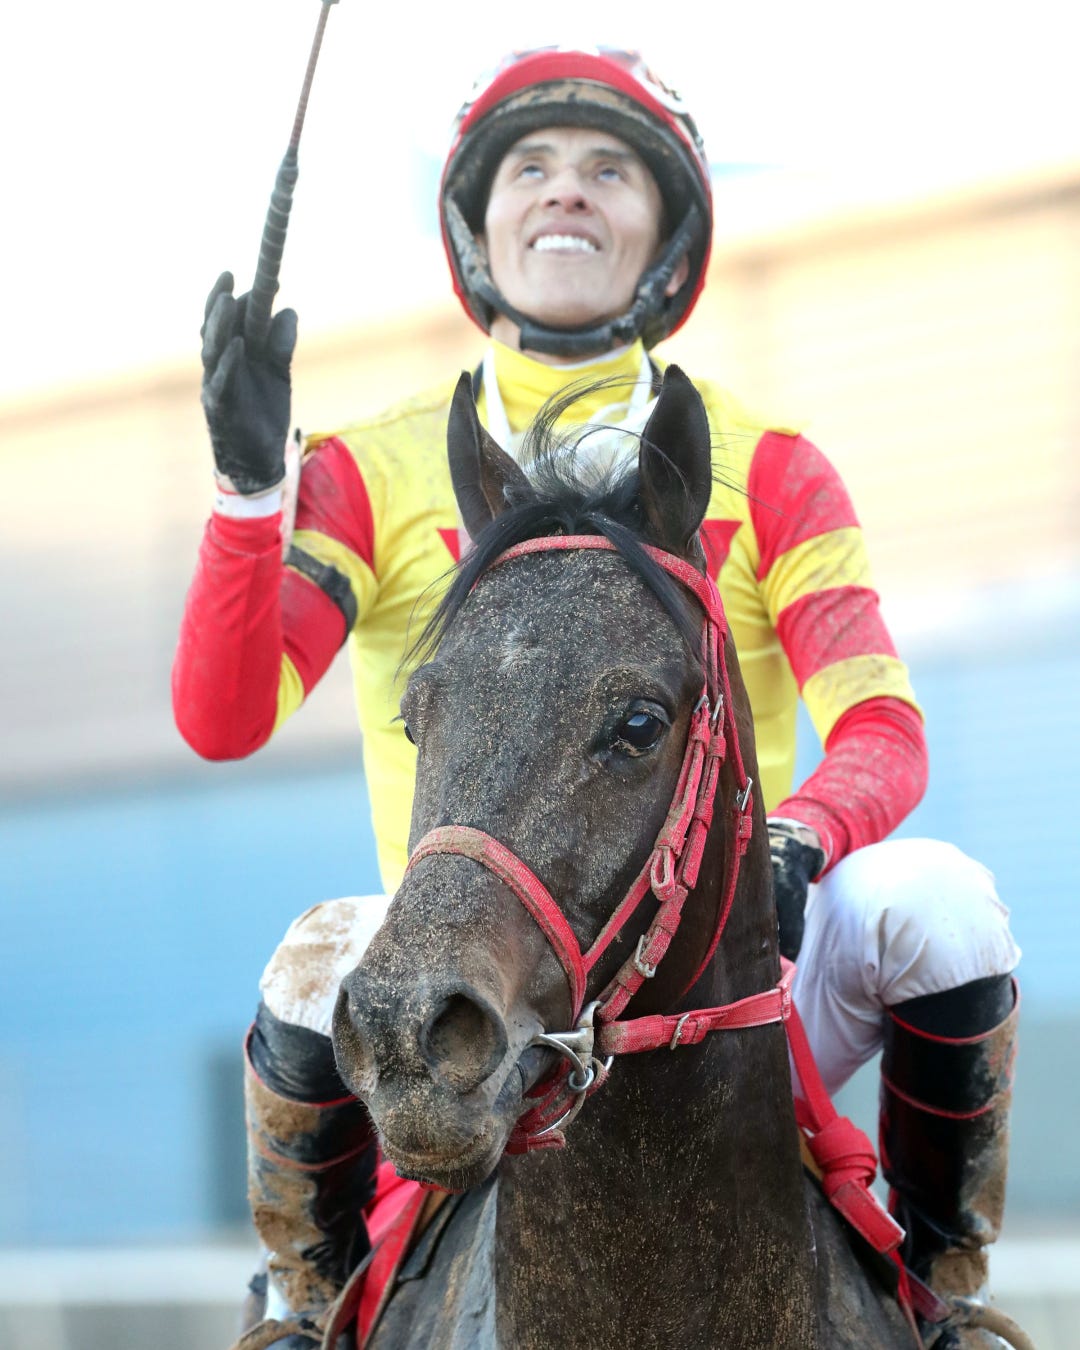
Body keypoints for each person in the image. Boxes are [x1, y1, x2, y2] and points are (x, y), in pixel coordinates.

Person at [173, 47, 1019, 1348]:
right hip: (485, 945)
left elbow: (882, 731)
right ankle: (303, 1301)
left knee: (945, 906)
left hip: (744, 947)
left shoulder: (772, 467)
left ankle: (942, 1289)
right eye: (532, 166)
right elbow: (222, 720)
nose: (567, 190)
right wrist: (248, 495)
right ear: (479, 224)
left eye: (609, 169)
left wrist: (803, 835)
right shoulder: (365, 468)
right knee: (310, 961)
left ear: (665, 236)